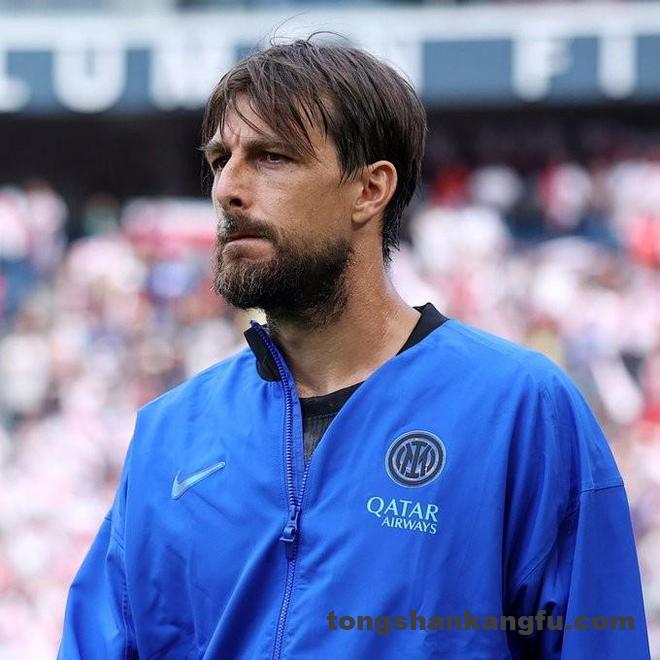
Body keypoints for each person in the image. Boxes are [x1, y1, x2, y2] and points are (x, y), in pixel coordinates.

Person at [57, 37, 650, 659]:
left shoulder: (520, 409)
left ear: (369, 190)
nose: (227, 188)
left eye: (272, 157)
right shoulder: (168, 436)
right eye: (220, 159)